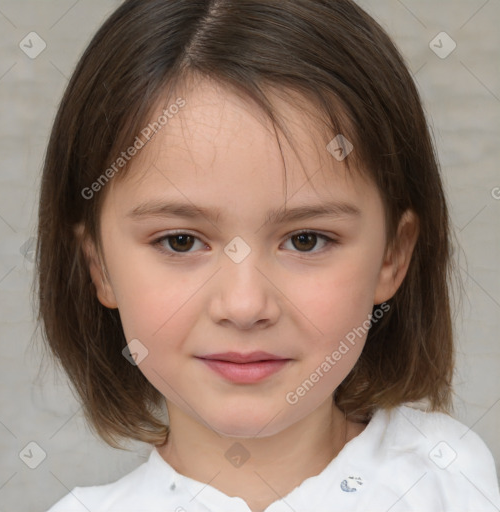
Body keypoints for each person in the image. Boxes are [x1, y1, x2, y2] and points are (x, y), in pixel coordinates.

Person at [37, 0, 500, 510]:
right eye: (181, 241)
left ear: (392, 256)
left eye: (306, 240)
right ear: (98, 265)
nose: (244, 305)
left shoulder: (448, 479)